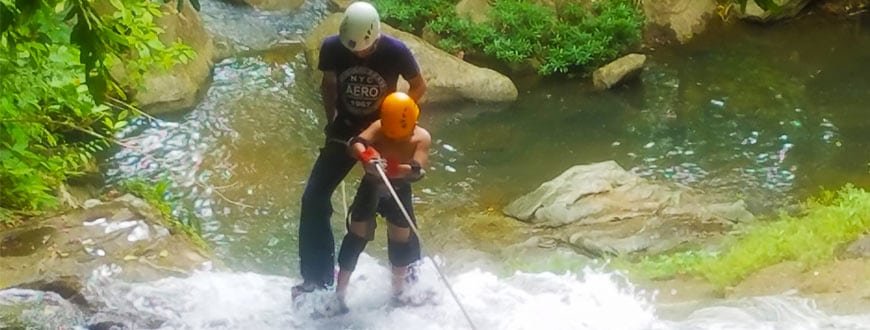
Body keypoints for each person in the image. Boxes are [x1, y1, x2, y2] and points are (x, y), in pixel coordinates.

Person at [294, 1, 427, 296]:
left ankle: (411, 271)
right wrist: (332, 123)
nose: (357, 53)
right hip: (345, 131)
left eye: (364, 50)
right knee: (313, 198)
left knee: (398, 195)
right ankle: (317, 279)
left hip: (385, 132)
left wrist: (400, 116)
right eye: (352, 49)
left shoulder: (396, 51)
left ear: (375, 36)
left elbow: (418, 86)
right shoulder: (332, 47)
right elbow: (328, 86)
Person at [335, 91, 430, 312]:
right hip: (371, 186)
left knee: (400, 242)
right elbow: (356, 142)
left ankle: (397, 293)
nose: (394, 137)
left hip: (399, 190)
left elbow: (418, 170)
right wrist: (366, 156)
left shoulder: (421, 137)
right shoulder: (379, 125)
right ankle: (339, 294)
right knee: (356, 238)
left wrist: (395, 168)